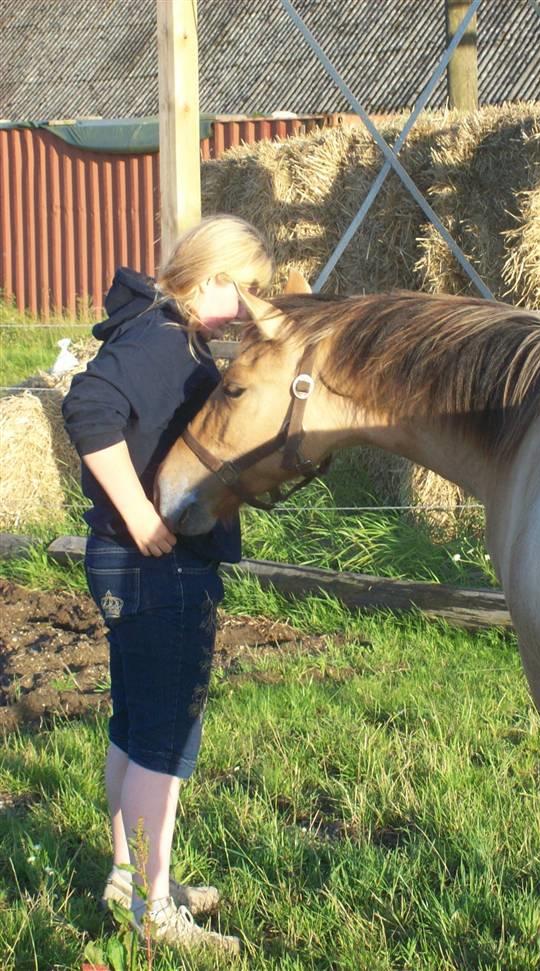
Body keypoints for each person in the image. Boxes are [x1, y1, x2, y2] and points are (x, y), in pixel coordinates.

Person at [62, 214, 273, 955]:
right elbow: (87, 407)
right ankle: (153, 910)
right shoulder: (163, 343)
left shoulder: (160, 328)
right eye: (246, 289)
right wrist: (141, 513)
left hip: (125, 565)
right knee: (163, 741)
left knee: (131, 724)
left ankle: (131, 876)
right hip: (157, 567)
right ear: (213, 279)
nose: (251, 307)